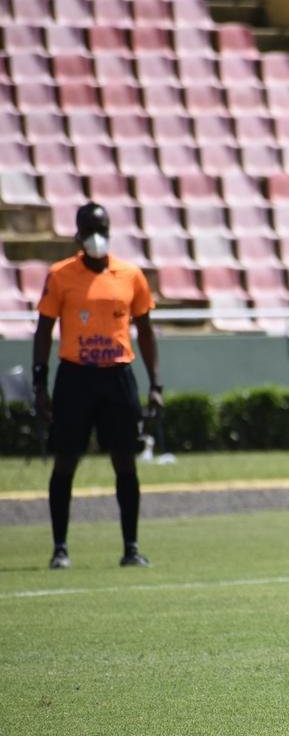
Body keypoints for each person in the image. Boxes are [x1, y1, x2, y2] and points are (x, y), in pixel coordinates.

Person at [32, 202, 163, 569]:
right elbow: (43, 330)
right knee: (66, 461)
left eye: (101, 229)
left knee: (125, 461)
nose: (96, 237)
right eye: (89, 229)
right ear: (77, 235)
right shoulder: (61, 275)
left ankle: (131, 547)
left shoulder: (130, 275)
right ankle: (60, 548)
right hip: (76, 376)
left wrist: (156, 384)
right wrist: (40, 382)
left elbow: (146, 331)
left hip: (117, 375)